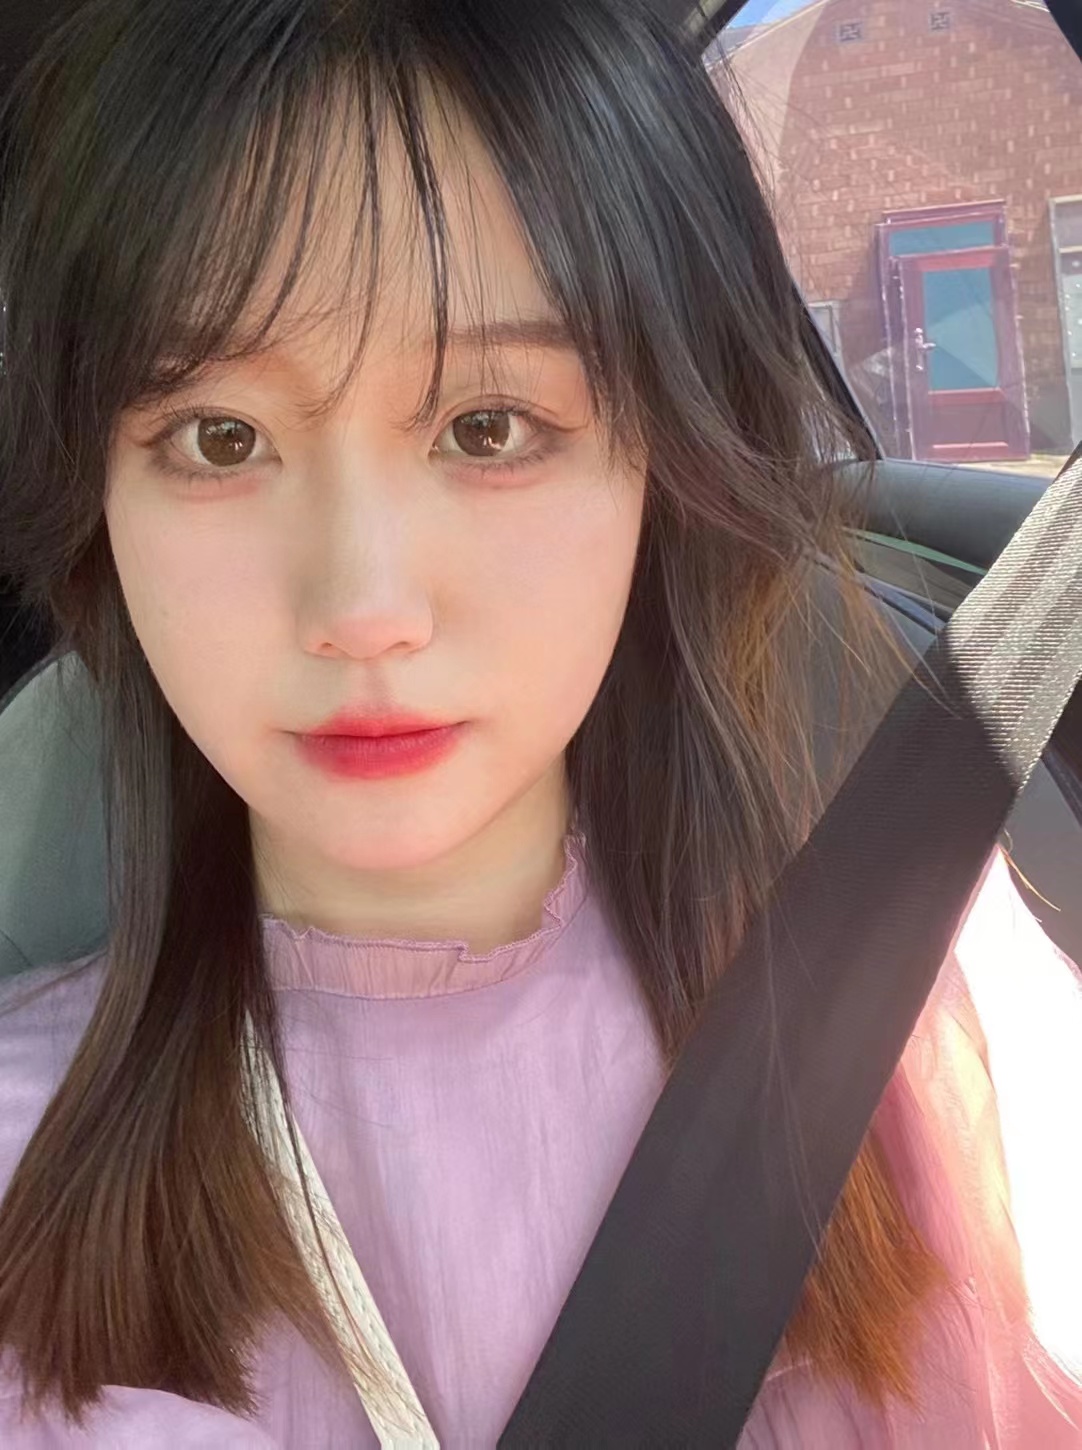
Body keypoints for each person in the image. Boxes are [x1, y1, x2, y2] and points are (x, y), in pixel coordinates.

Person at [0, 0, 1080, 1443]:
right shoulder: (20, 1165)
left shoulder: (904, 1039)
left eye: (488, 427)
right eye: (220, 437)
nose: (365, 607)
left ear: (659, 464)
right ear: (99, 502)